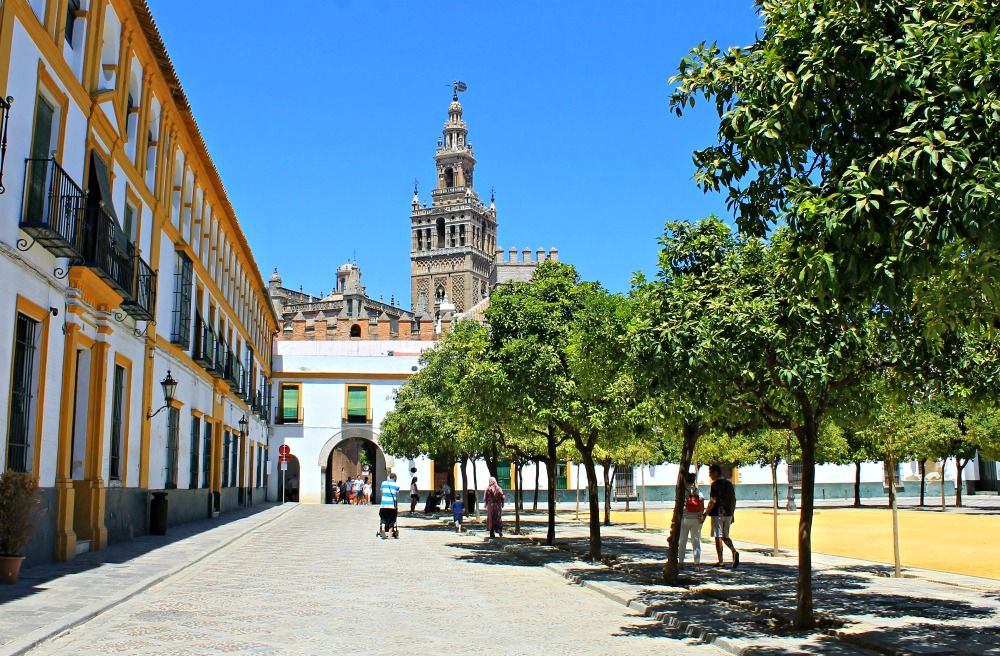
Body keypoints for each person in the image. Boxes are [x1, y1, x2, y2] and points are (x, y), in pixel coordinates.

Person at [701, 464, 739, 568]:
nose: (710, 475)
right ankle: (733, 551)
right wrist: (732, 513)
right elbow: (734, 499)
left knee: (718, 536)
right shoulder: (729, 484)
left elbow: (713, 500)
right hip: (728, 513)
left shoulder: (715, 485)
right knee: (725, 536)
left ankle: (721, 561)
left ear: (716, 472)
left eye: (711, 473)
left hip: (717, 514)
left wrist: (705, 513)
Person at [679, 471, 705, 568]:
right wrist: (702, 515)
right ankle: (697, 563)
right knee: (696, 541)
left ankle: (680, 562)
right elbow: (702, 502)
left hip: (684, 518)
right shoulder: (697, 491)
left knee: (682, 541)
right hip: (696, 519)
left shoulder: (681, 491)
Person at [378, 472, 400, 539]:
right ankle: (390, 534)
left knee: (383, 516)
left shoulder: (383, 483)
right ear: (395, 478)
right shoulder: (397, 485)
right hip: (392, 505)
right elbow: (397, 495)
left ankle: (383, 528)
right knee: (392, 518)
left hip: (384, 504)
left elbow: (381, 493)